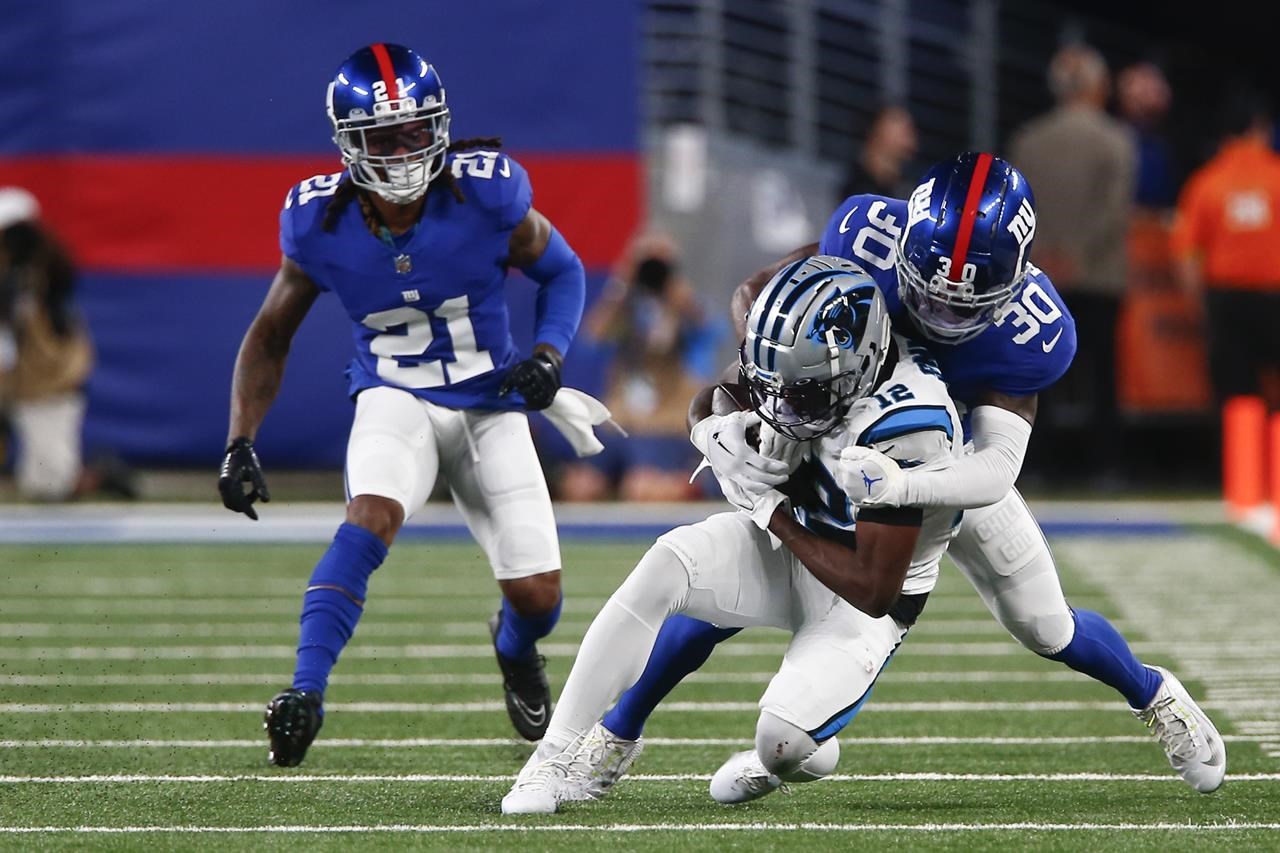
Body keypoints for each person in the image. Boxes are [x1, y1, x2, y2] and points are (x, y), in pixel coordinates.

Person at [588, 152, 1225, 798]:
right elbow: (762, 295)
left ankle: (1155, 695)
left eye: (963, 309)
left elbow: (995, 470)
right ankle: (618, 731)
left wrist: (902, 489)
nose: (939, 319)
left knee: (1045, 625)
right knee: (731, 578)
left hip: (950, 469)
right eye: (926, 295)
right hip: (843, 436)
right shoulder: (868, 235)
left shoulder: (1035, 330)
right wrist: (765, 391)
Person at [216, 43, 587, 765]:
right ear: (349, 144)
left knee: (539, 598)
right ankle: (304, 691)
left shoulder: (489, 195)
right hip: (396, 396)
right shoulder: (319, 222)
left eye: (417, 131)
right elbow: (269, 336)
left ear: (441, 127)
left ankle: (513, 648)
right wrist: (240, 440)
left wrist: (548, 354)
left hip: (490, 404)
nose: (404, 150)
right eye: (384, 138)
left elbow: (563, 270)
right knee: (369, 517)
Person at [502, 257, 965, 814]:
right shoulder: (802, 357)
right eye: (778, 385)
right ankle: (551, 758)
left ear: (857, 369)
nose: (782, 404)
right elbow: (719, 392)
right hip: (795, 543)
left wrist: (772, 513)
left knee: (784, 743)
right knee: (667, 564)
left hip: (861, 601)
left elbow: (873, 589)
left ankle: (792, 752)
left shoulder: (910, 425)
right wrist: (713, 429)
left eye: (804, 393)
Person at [1007, 43, 1136, 484]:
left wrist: (1048, 254)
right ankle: (1107, 465)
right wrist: (1079, 256)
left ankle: (1035, 464)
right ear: (1097, 85)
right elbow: (1115, 211)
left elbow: (1015, 206)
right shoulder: (1116, 139)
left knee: (1039, 376)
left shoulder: (1029, 139)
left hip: (1040, 275)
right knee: (1103, 376)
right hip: (1099, 277)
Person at [556, 231, 721, 502]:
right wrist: (622, 282)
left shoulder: (687, 308)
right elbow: (593, 337)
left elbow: (710, 336)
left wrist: (678, 294)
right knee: (580, 487)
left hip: (664, 425)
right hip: (620, 421)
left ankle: (691, 486)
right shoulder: (624, 307)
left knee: (642, 489)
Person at [0, 188, 136, 502]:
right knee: (39, 482)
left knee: (48, 486)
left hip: (47, 385)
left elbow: (43, 341)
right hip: (17, 384)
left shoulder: (43, 274)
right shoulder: (19, 279)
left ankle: (99, 475)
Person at [1170, 87, 1280, 409]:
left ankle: (1241, 459)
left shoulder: (1204, 183)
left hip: (1226, 303)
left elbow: (1185, 256)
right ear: (1260, 127)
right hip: (1276, 298)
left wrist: (1203, 309)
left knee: (1237, 398)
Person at [836, 104, 920, 204]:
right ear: (874, 130)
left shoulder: (909, 192)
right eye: (896, 120)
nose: (908, 128)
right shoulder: (857, 195)